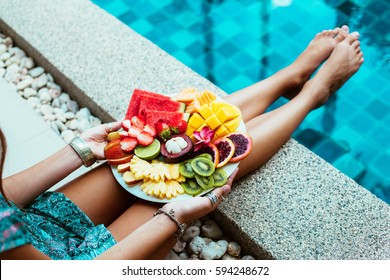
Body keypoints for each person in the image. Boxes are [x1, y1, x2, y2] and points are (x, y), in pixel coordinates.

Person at [0, 25, 363, 260]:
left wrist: (79, 150)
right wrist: (171, 217)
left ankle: (289, 77)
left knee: (158, 153)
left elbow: (3, 202)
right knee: (194, 176)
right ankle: (313, 93)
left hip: (31, 232)